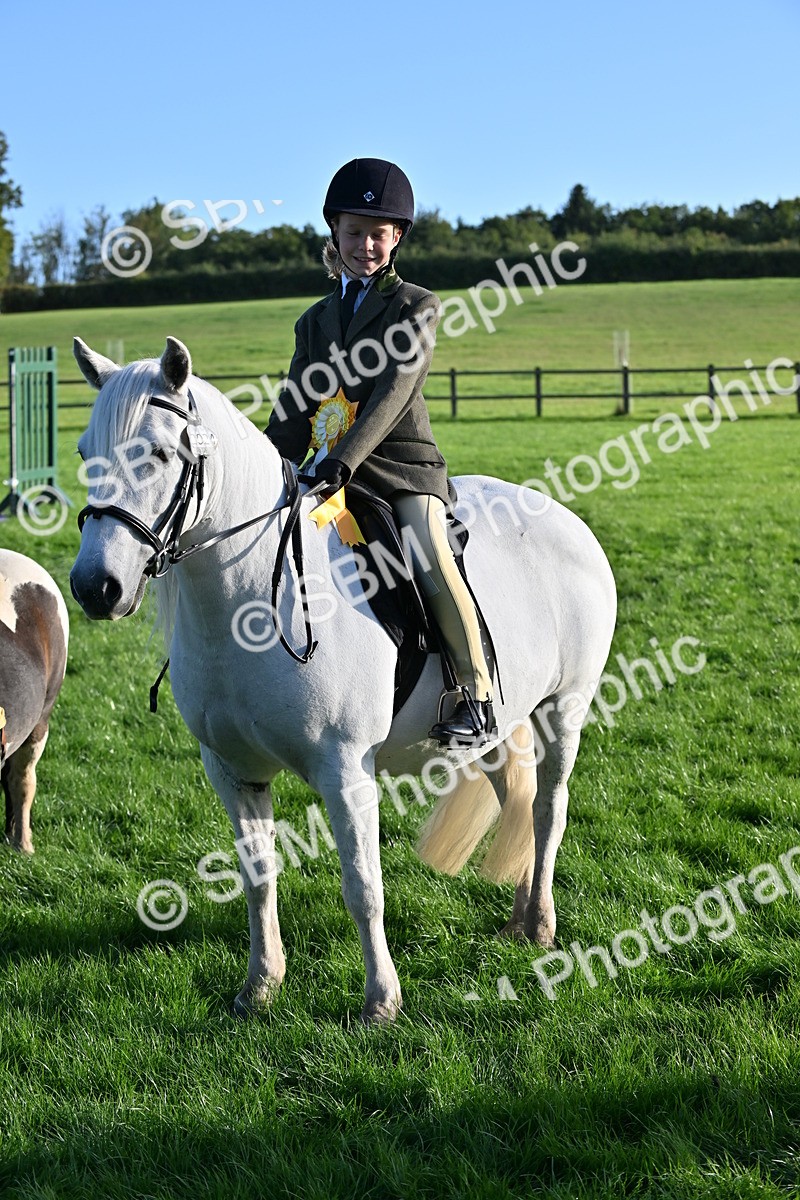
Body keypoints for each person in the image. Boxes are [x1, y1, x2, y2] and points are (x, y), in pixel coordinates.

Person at [265, 157, 496, 745]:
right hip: (325, 471)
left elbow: (393, 394)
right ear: (334, 235)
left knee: (427, 550)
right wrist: (269, 466)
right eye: (354, 232)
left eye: (378, 234)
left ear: (397, 238)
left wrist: (343, 459)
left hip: (400, 470)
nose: (366, 245)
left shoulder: (415, 306)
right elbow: (294, 406)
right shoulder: (314, 321)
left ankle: (476, 694)